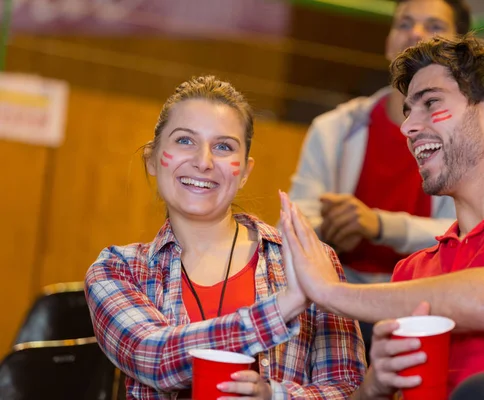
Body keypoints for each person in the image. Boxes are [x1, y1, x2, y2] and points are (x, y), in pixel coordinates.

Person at [279, 34, 484, 400]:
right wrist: (375, 387)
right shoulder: (413, 273)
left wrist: (331, 293)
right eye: (407, 111)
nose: (408, 128)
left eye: (431, 103)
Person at [84, 76, 366, 399]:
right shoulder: (117, 270)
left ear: (245, 171)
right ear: (152, 158)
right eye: (185, 141)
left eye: (223, 147)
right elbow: (155, 357)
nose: (203, 162)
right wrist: (287, 304)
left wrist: (276, 397)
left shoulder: (309, 260)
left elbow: (350, 388)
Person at [288, 0, 470, 352]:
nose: (414, 34)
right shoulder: (333, 128)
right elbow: (298, 220)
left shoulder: (469, 136)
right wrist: (330, 227)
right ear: (389, 41)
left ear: (461, 50)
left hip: (430, 297)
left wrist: (378, 226)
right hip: (339, 298)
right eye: (404, 24)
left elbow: (466, 235)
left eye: (433, 26)